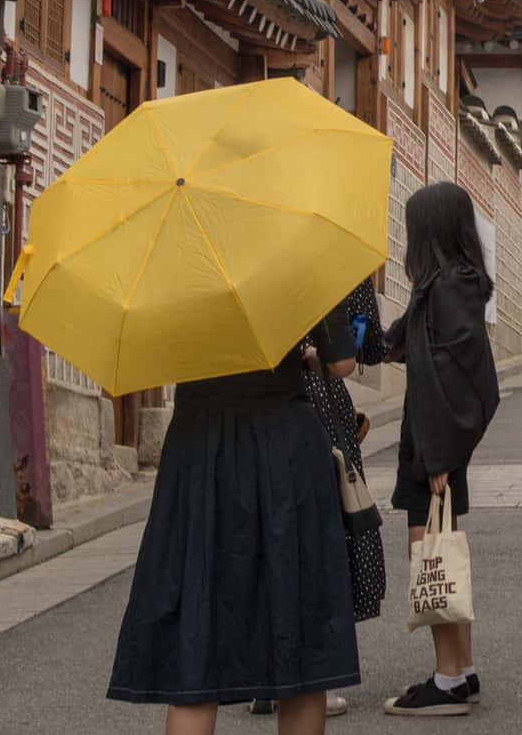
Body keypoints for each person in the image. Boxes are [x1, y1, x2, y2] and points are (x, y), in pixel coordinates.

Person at [107, 287, 363, 734]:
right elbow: (342, 362)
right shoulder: (294, 248)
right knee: (298, 636)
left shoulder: (177, 262)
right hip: (284, 442)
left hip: (201, 445)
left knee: (196, 632)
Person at [383, 182, 503, 717]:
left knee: (430, 556)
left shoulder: (449, 289)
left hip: (435, 442)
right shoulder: (445, 285)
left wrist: (440, 459)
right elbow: (412, 342)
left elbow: (457, 376)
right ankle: (464, 668)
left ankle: (448, 678)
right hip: (436, 441)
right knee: (443, 551)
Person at [251, 278, 388, 719]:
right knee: (320, 542)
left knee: (265, 536)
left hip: (251, 412)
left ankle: (265, 672)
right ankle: (312, 678)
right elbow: (355, 355)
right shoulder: (333, 262)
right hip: (315, 409)